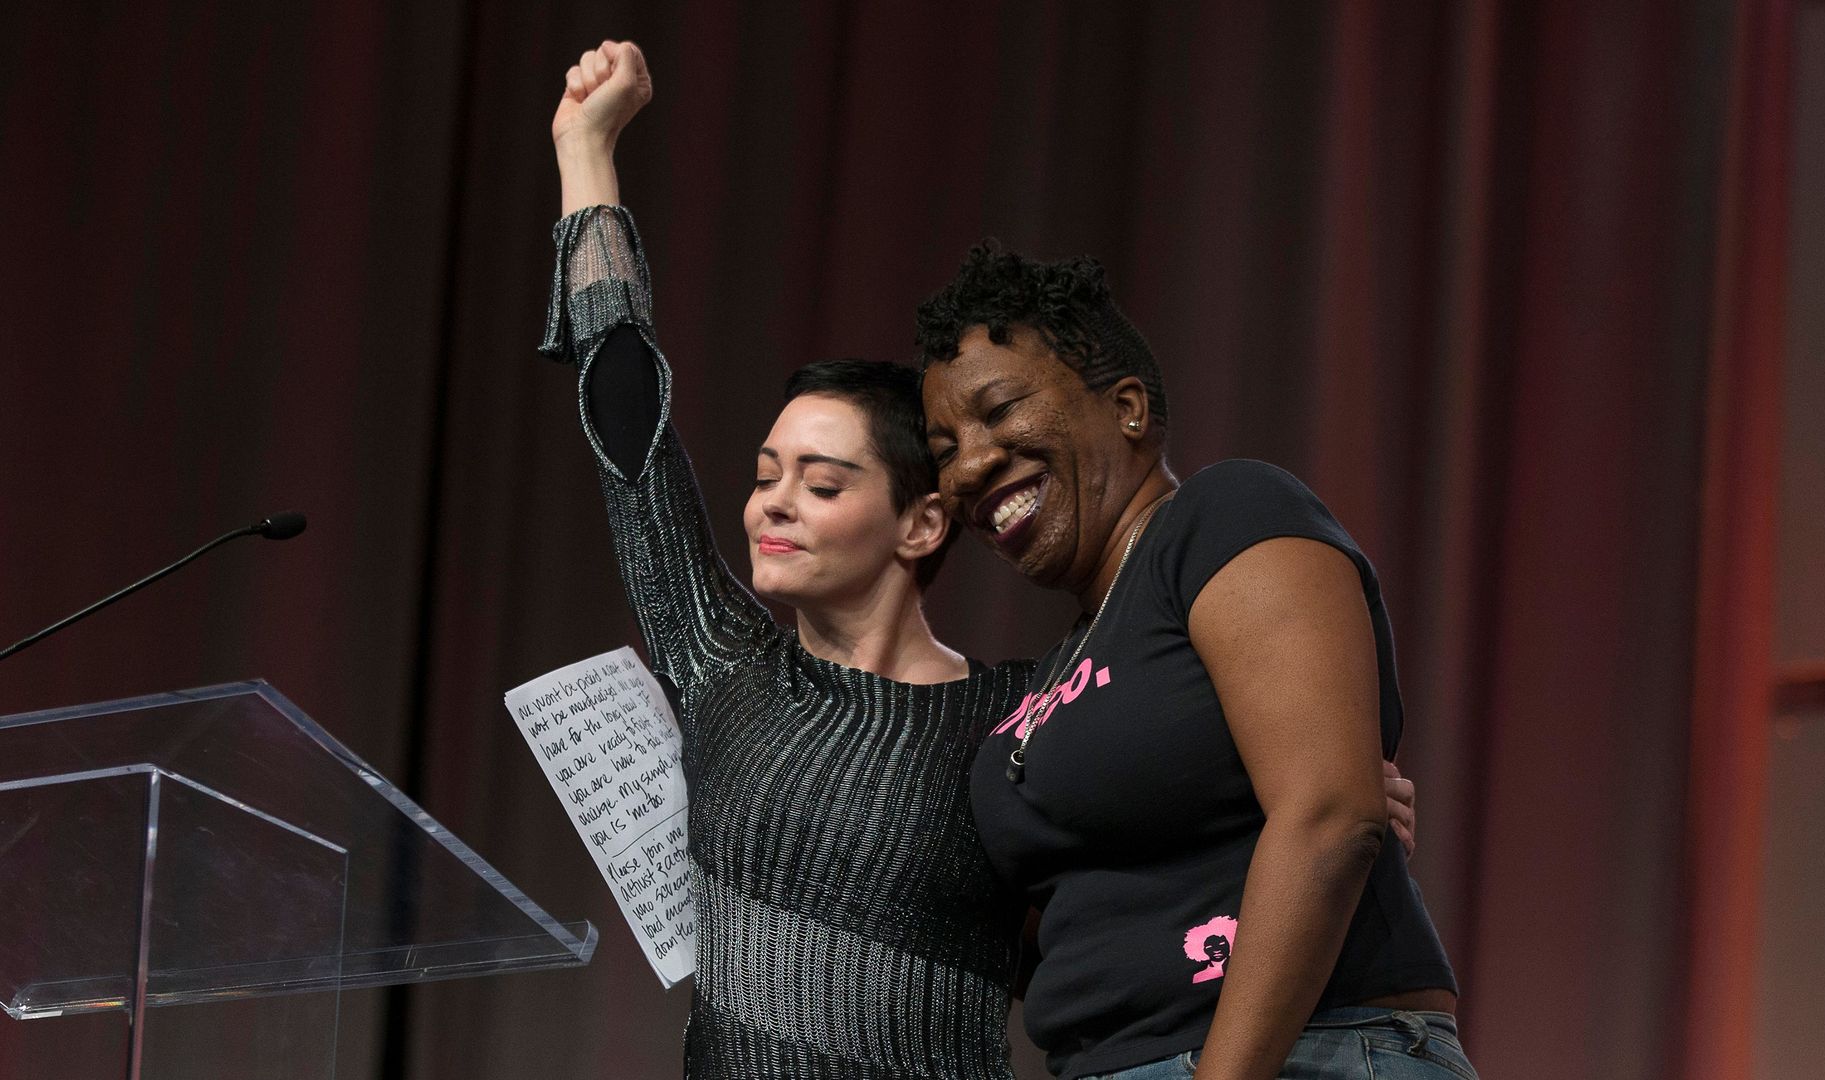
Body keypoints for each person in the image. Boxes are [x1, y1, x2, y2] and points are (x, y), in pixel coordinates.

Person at [542, 40, 1422, 1079]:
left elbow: (1164, 813)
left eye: (824, 482)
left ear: (923, 524)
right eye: (765, 473)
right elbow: (631, 434)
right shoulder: (727, 668)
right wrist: (584, 155)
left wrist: (1312, 789)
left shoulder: (1015, 725)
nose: (775, 500)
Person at [918, 244, 1477, 1080]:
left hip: (1299, 1053)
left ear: (1130, 408)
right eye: (944, 447)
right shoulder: (1053, 671)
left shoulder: (1225, 517)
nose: (968, 465)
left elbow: (1329, 814)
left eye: (999, 412)